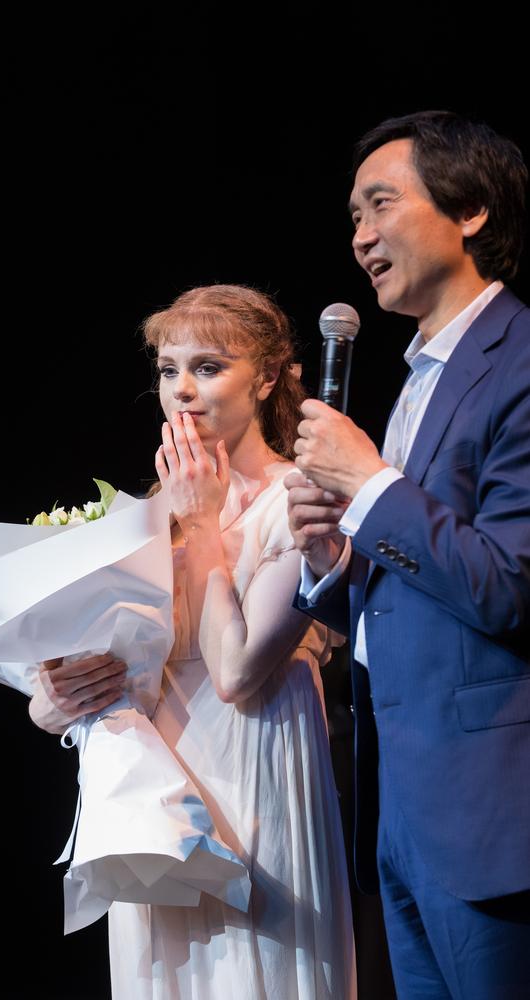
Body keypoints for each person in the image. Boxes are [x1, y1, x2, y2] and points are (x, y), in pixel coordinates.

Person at [29, 284, 357, 999]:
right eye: (169, 368)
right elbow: (77, 688)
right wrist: (51, 698)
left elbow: (239, 670)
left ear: (267, 377)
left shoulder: (300, 498)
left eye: (209, 367)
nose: (182, 389)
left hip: (258, 775)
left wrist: (204, 527)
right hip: (158, 803)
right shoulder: (148, 513)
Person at [286, 110, 530, 999]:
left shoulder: (520, 361)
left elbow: (510, 588)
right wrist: (330, 561)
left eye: (380, 204)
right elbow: (413, 595)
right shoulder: (418, 379)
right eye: (353, 215)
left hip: (494, 818)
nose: (360, 237)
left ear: (468, 210)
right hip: (401, 813)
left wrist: (374, 485)